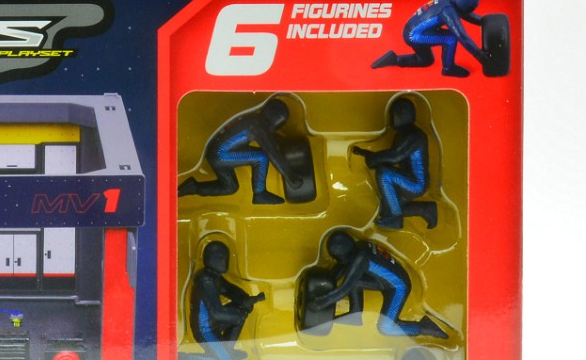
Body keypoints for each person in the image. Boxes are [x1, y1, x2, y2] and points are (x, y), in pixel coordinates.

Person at [309, 230, 446, 338]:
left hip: (398, 287)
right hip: (385, 281)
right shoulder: (360, 246)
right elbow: (342, 267)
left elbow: (344, 289)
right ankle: (355, 315)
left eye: (338, 257)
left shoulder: (361, 259)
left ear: (343, 254)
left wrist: (319, 304)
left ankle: (423, 327)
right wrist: (326, 281)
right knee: (356, 281)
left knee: (385, 328)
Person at [178, 97, 306, 205]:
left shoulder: (254, 120)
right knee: (261, 157)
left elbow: (271, 141)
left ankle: (193, 187)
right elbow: (271, 151)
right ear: (276, 120)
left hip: (216, 153)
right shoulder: (258, 126)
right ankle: (260, 193)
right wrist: (290, 176)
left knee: (230, 187)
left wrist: (286, 143)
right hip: (221, 155)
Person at [178, 240, 264, 360]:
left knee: (242, 310)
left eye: (225, 257)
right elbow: (217, 312)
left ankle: (227, 351)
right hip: (205, 330)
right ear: (210, 258)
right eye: (221, 257)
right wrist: (238, 315)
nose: (225, 261)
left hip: (213, 324)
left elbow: (230, 290)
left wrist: (246, 300)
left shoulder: (214, 277)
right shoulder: (206, 280)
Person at [352, 96, 437, 229]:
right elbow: (391, 158)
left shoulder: (415, 135)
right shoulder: (401, 136)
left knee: (384, 174)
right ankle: (426, 209)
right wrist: (367, 154)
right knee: (388, 205)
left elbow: (395, 155)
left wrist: (375, 159)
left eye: (394, 114)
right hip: (407, 180)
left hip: (416, 184)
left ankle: (395, 219)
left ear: (402, 114)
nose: (392, 118)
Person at [372, 0, 486, 77]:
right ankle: (448, 68)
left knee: (426, 61)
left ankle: (394, 59)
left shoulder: (448, 0)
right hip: (414, 35)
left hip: (410, 31)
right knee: (450, 38)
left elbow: (464, 14)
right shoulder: (448, 12)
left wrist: (483, 21)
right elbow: (461, 35)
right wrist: (479, 55)